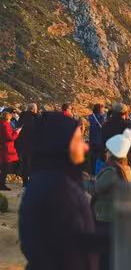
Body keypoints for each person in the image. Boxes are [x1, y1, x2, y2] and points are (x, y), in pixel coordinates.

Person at [18, 113, 108, 270]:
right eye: (79, 140)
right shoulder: (55, 187)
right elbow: (66, 246)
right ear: (63, 143)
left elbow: (71, 236)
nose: (85, 146)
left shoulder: (57, 179)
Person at [93, 128, 131, 270]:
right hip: (114, 218)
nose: (105, 153)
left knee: (105, 257)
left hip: (106, 218)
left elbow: (96, 188)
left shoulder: (111, 171)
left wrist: (83, 182)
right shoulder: (122, 168)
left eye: (107, 150)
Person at [15, 103, 39, 186]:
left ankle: (25, 181)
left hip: (23, 143)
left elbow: (17, 127)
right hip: (33, 143)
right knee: (33, 162)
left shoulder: (22, 117)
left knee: (24, 162)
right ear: (34, 109)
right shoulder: (35, 118)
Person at [0, 110, 20, 190]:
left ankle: (2, 184)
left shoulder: (1, 124)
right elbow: (10, 138)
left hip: (2, 147)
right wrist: (17, 132)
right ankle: (2, 185)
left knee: (3, 167)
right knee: (5, 168)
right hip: (7, 148)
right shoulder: (6, 125)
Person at [88, 104, 106, 176]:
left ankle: (92, 174)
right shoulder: (103, 116)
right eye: (103, 109)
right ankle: (99, 175)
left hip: (92, 140)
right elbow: (104, 123)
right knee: (101, 159)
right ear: (99, 109)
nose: (104, 110)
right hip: (100, 141)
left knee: (93, 158)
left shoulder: (91, 117)